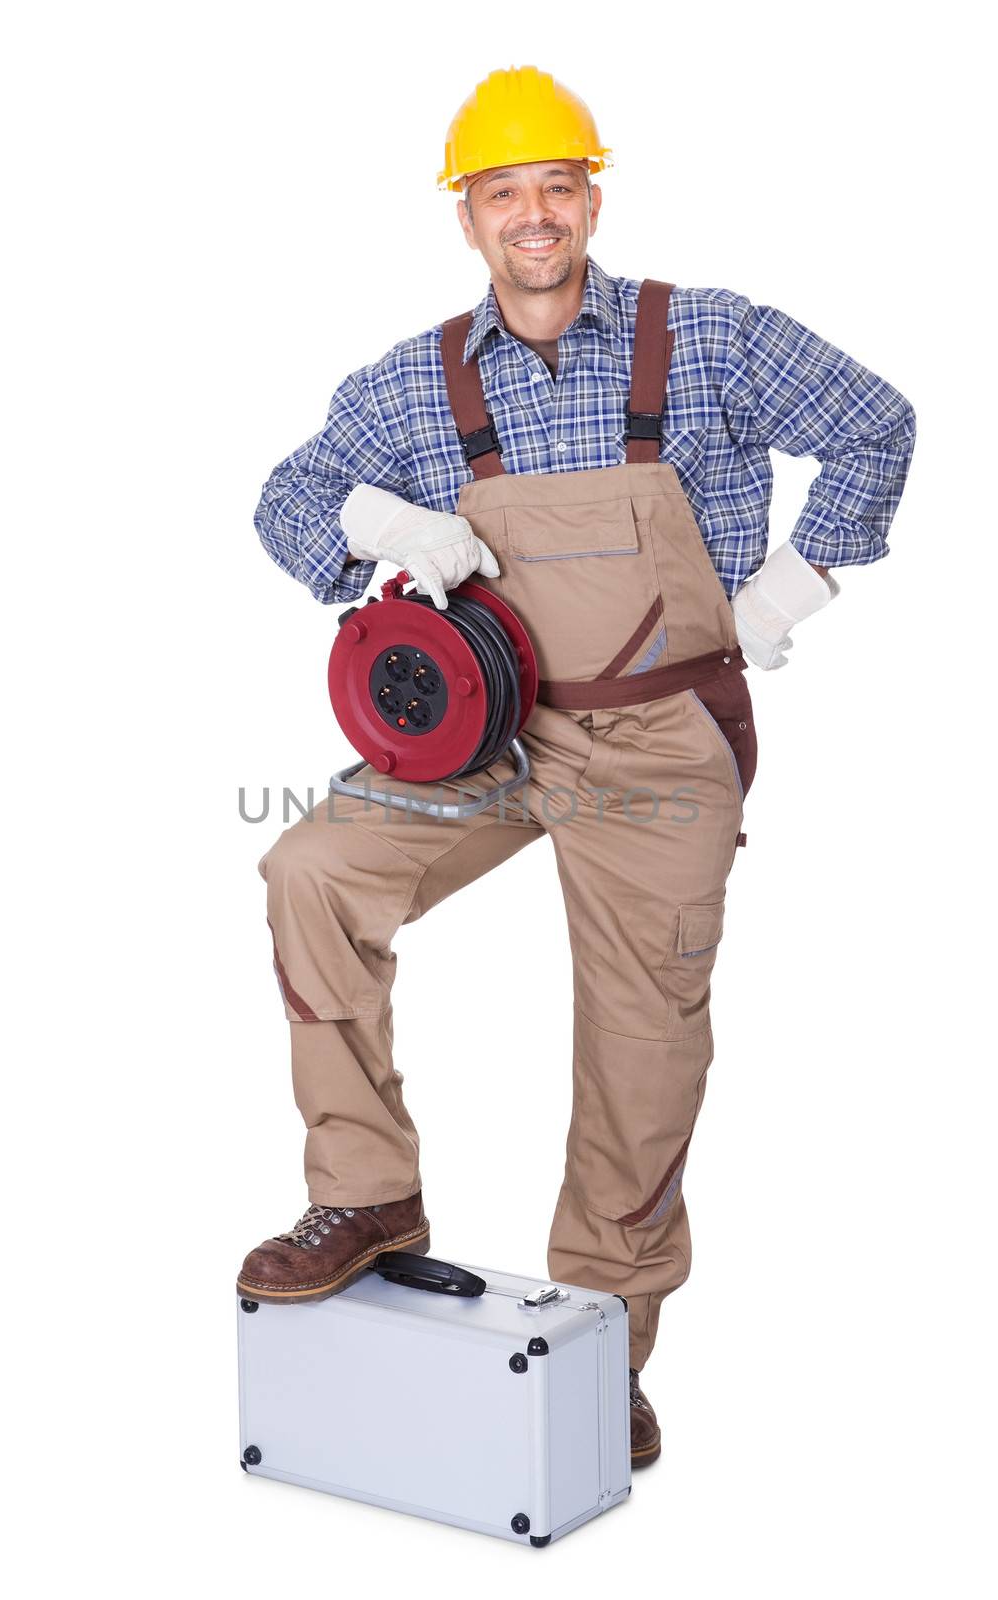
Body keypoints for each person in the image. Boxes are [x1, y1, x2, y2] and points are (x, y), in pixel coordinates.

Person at [238, 66, 915, 1467]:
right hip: (487, 728)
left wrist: (798, 585)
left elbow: (875, 421)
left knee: (641, 1037)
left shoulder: (709, 339)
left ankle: (607, 1336)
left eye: (556, 185)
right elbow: (284, 497)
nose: (533, 216)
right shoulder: (414, 385)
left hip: (666, 733)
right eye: (503, 194)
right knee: (311, 868)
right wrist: (377, 525)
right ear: (468, 219)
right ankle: (366, 1192)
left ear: (591, 196)